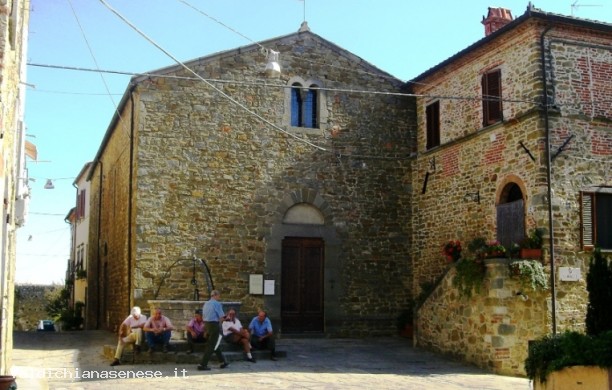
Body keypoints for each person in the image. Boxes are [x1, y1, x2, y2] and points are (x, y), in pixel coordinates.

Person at [197, 290, 229, 371]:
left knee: (215, 343)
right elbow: (221, 317)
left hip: (207, 324)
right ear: (215, 295)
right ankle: (203, 364)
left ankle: (222, 362)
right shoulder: (217, 304)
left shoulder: (206, 304)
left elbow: (204, 316)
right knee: (211, 345)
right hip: (214, 325)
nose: (219, 297)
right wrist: (226, 318)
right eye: (218, 296)